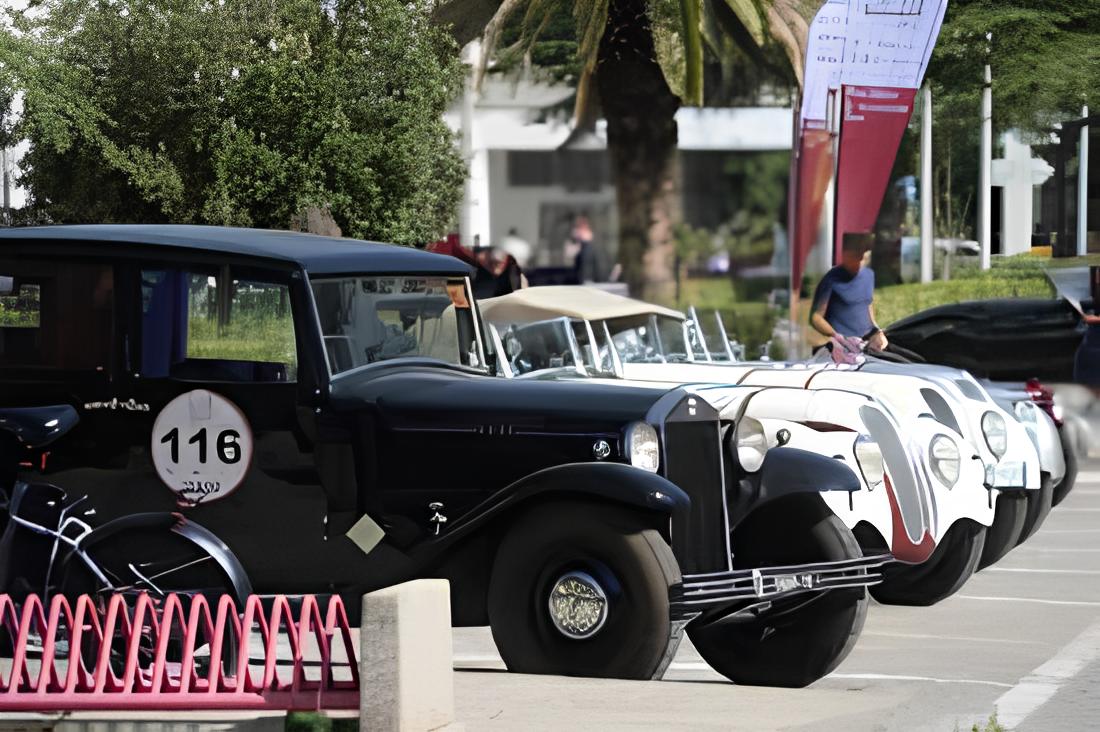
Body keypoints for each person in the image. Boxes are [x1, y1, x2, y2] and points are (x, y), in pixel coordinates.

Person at [809, 233, 888, 352]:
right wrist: (837, 337)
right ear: (845, 254)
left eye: (863, 254)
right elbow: (815, 318)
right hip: (842, 348)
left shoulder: (868, 275)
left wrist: (877, 330)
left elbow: (867, 304)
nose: (860, 259)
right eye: (856, 254)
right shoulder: (831, 280)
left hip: (869, 343)